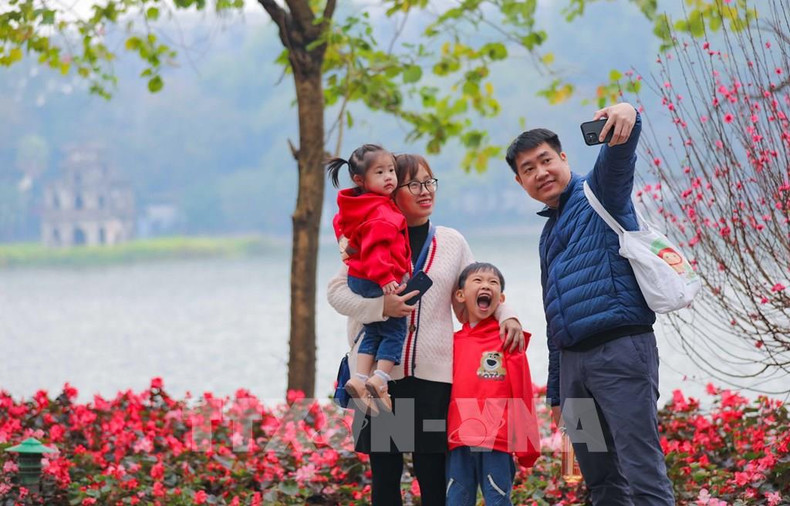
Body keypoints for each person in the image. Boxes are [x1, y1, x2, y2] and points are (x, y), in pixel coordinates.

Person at [327, 153, 525, 506]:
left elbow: (481, 286)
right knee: (385, 481)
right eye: (414, 184)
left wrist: (507, 314)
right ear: (391, 191)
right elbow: (336, 293)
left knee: (434, 479)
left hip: (433, 383)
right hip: (376, 381)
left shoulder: (451, 242)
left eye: (429, 182)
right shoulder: (373, 232)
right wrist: (378, 307)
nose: (425, 191)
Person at [505, 102, 675, 505]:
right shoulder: (547, 237)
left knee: (640, 468)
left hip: (619, 354)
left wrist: (627, 114)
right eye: (528, 169)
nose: (540, 172)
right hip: (573, 370)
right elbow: (553, 318)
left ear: (563, 158)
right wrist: (557, 395)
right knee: (599, 478)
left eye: (545, 160)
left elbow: (618, 157)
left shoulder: (598, 194)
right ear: (520, 181)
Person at [446, 262, 540, 506]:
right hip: (459, 439)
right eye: (477, 281)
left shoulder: (508, 339)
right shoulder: (450, 343)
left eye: (493, 282)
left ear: (501, 298)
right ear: (460, 295)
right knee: (456, 500)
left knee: (498, 500)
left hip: (496, 440)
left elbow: (523, 391)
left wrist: (527, 443)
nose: (486, 285)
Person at [327, 144, 411, 413]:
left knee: (374, 329)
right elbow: (375, 250)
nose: (389, 178)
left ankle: (360, 378)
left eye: (391, 172)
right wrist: (385, 282)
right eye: (381, 172)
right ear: (360, 180)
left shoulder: (358, 206)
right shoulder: (382, 213)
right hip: (375, 278)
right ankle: (379, 378)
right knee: (395, 329)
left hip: (362, 277)